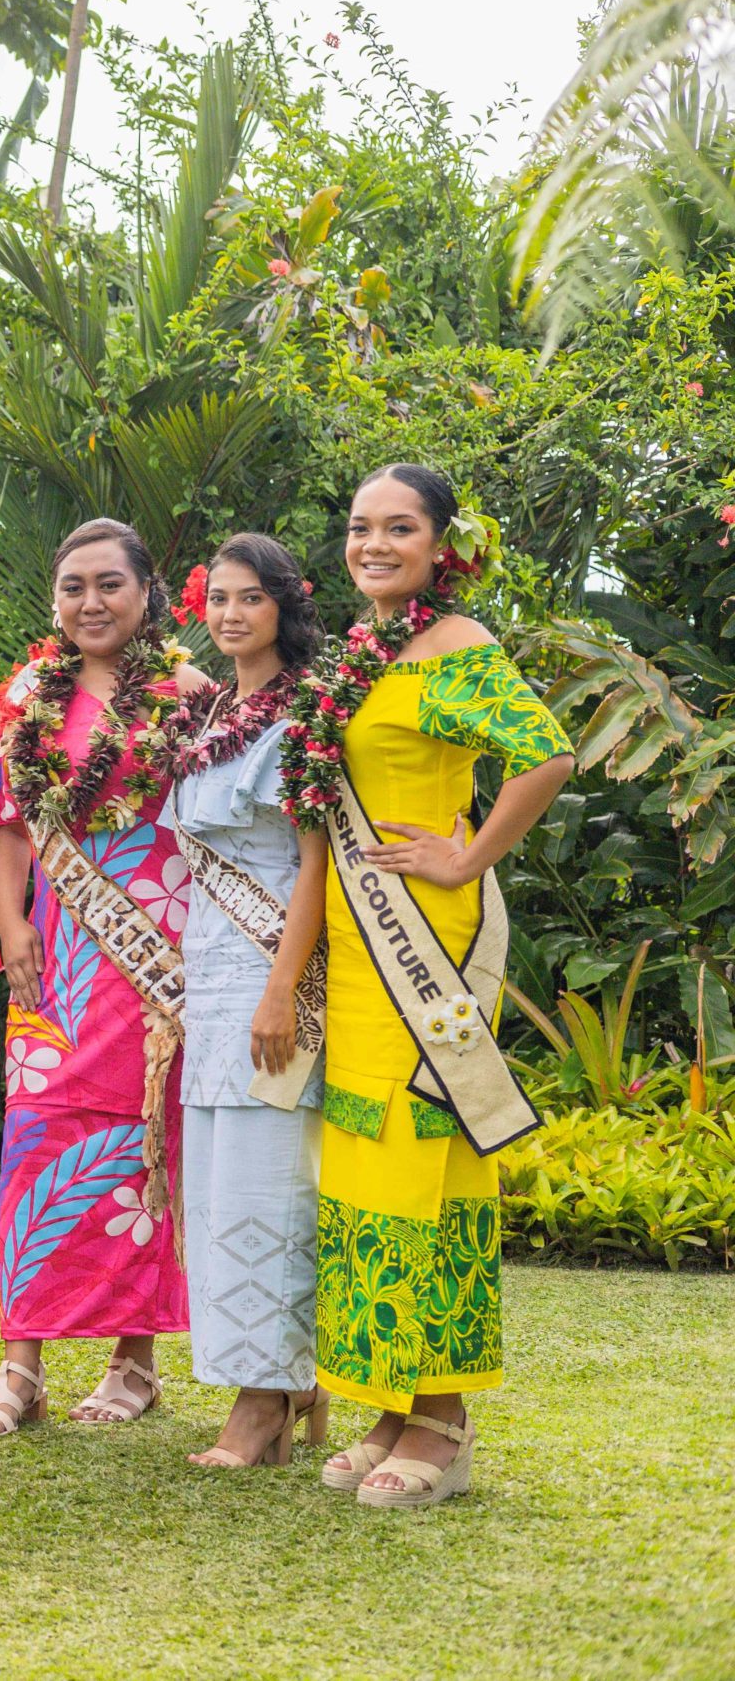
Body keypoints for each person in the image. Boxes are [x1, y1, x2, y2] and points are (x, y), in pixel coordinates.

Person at [285, 466, 573, 1508]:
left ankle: (441, 1422)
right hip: (362, 956)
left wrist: (470, 855)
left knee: (429, 1167)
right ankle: (385, 1405)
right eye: (359, 526)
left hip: (429, 950)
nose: (372, 543)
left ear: (439, 543)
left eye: (397, 527)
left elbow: (543, 755)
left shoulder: (455, 649)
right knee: (364, 1167)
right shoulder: (364, 658)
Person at [0, 518, 213, 1437]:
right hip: (54, 967)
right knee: (35, 1146)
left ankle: (134, 1361)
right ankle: (20, 1362)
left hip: (157, 961)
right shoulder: (30, 695)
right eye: (73, 586)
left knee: (144, 1144)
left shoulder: (188, 695)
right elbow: (2, 829)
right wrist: (11, 923)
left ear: (147, 592)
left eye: (109, 584)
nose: (90, 602)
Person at [163, 535, 330, 1467]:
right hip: (209, 974)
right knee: (219, 1190)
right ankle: (267, 1383)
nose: (229, 614)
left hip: (277, 976)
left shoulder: (305, 711)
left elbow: (313, 861)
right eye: (218, 598)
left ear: (283, 606)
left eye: (249, 598)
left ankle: (265, 1402)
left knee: (271, 1186)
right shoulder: (208, 712)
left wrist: (281, 990)